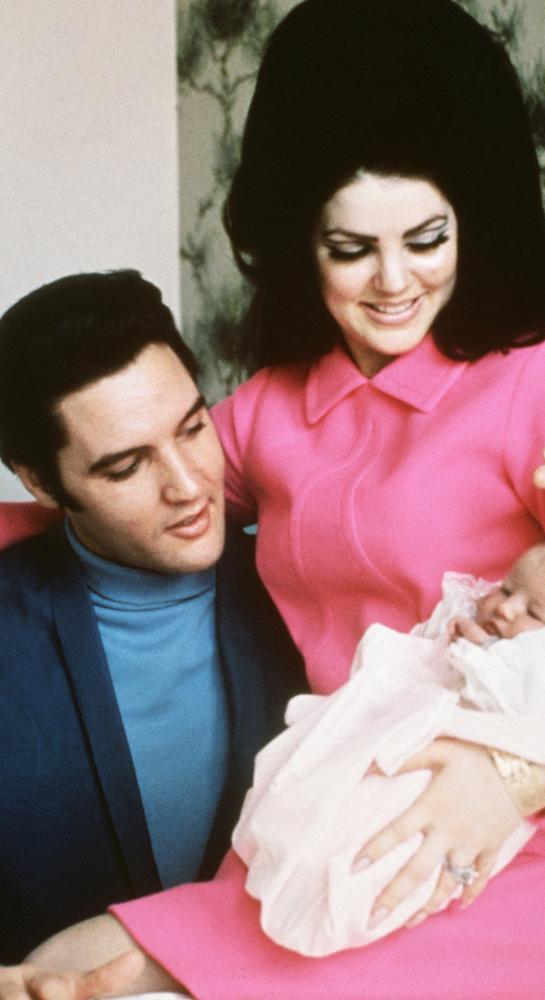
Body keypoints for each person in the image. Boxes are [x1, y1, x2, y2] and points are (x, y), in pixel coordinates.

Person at [5, 1, 545, 998]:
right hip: (329, 825)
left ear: (470, 222)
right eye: (349, 248)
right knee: (53, 964)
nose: (393, 284)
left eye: (426, 238)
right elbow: (115, 484)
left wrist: (516, 778)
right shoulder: (271, 409)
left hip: (504, 849)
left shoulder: (543, 381)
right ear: (299, 242)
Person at [0, 270, 305, 962]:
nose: (190, 485)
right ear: (42, 481)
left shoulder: (304, 588)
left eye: (194, 427)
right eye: (125, 467)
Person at [233, 525, 545, 957]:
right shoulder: (475, 627)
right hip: (406, 743)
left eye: (536, 614)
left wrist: (479, 655)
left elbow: (528, 694)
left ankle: (344, 901)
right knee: (318, 812)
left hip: (478, 785)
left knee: (392, 851)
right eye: (507, 589)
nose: (505, 609)